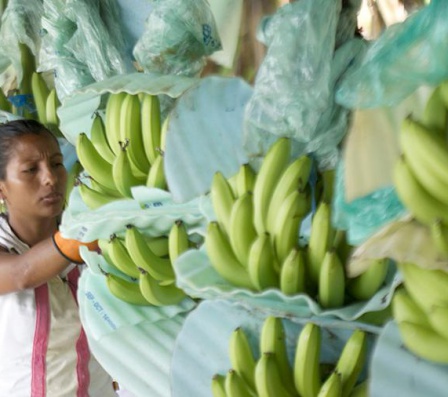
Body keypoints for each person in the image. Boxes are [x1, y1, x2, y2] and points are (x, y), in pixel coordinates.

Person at [0, 119, 117, 396]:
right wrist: (83, 232)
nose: (50, 178)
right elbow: (21, 273)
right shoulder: (83, 237)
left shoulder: (101, 245)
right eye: (31, 170)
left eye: (55, 163)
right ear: (1, 189)